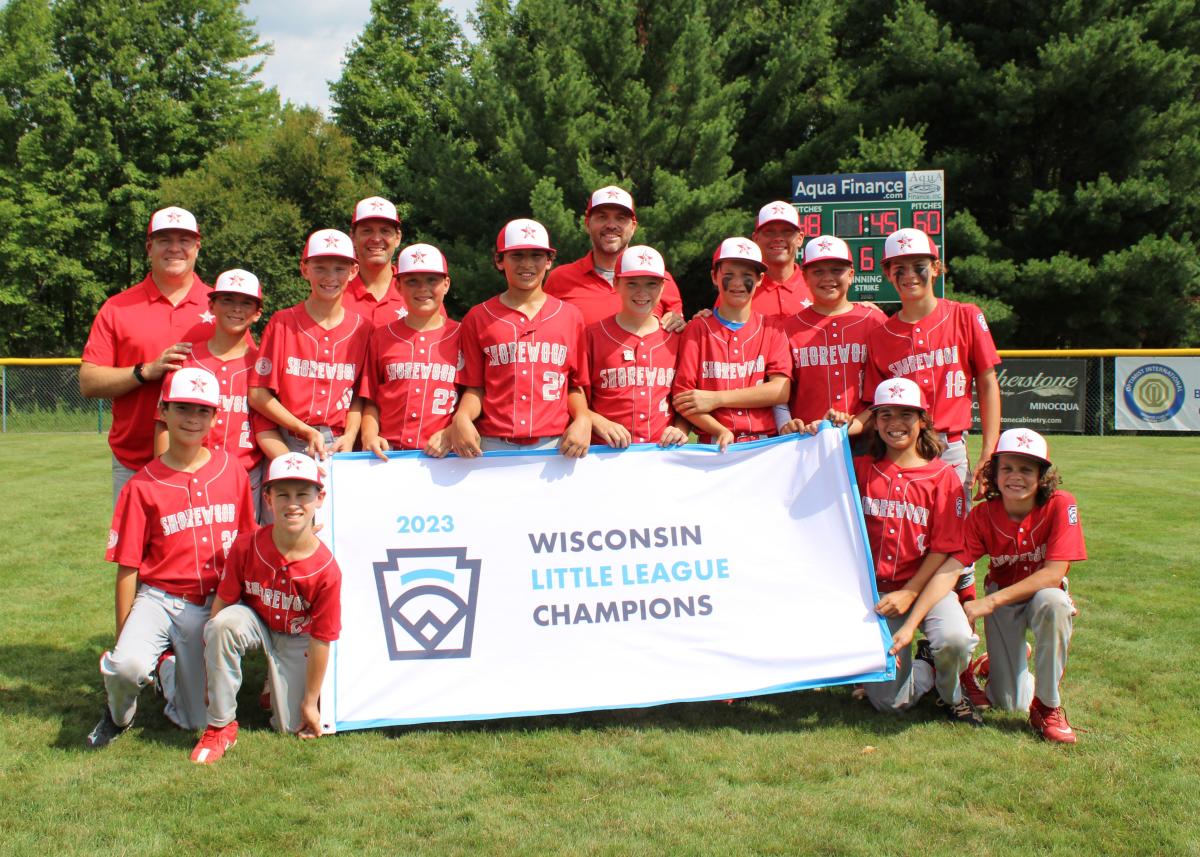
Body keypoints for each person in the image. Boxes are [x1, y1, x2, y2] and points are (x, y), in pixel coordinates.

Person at [86, 367, 256, 749]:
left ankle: (167, 670)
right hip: (159, 598)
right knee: (126, 667)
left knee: (194, 720)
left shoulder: (233, 471)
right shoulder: (142, 484)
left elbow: (245, 546)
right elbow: (128, 566)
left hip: (211, 603)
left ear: (215, 417)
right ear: (163, 410)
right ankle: (118, 715)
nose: (192, 419)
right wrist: (123, 637)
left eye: (201, 411)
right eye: (182, 409)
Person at [190, 452, 342, 763]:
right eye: (282, 494)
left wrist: (311, 703)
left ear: (320, 498)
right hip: (255, 621)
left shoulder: (326, 570)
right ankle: (220, 725)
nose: (293, 503)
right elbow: (221, 606)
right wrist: (211, 673)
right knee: (222, 624)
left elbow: (322, 639)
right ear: (268, 498)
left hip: (296, 636)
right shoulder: (246, 545)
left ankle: (273, 688)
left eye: (303, 494)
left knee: (291, 727)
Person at [937, 429, 1086, 742]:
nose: (1015, 477)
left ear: (1042, 476)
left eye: (1026, 469)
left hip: (1037, 595)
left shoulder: (1061, 504)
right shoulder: (983, 516)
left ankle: (1047, 707)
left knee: (1055, 602)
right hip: (1004, 598)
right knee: (1009, 702)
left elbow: (1053, 573)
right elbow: (953, 564)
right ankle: (995, 664)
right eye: (1007, 468)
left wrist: (986, 604)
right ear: (994, 472)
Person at [853, 378, 981, 725]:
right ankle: (925, 661)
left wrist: (910, 594)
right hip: (877, 592)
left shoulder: (944, 477)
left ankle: (948, 685)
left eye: (906, 415)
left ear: (923, 420)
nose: (895, 424)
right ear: (874, 421)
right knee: (889, 705)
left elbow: (944, 551)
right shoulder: (860, 470)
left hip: (925, 586)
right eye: (885, 415)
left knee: (955, 639)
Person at [80, 206, 216, 501]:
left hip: (205, 461)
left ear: (197, 247)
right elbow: (89, 381)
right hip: (135, 463)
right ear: (149, 247)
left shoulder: (223, 305)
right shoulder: (118, 307)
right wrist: (146, 371)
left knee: (202, 549)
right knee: (131, 548)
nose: (175, 248)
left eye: (185, 239)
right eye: (165, 239)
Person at [449, 218, 591, 458]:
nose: (527, 264)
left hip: (555, 444)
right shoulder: (478, 316)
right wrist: (462, 416)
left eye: (536, 255)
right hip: (492, 444)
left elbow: (574, 385)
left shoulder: (570, 316)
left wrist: (583, 418)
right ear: (499, 261)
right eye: (517, 256)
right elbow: (475, 387)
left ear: (549, 261)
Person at [250, 229, 372, 461]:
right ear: (305, 269)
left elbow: (359, 395)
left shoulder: (363, 328)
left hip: (340, 442)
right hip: (289, 438)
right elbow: (257, 393)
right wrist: (304, 429)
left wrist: (351, 433)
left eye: (339, 268)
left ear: (354, 271)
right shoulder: (283, 322)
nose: (330, 277)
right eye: (320, 267)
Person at [153, 269, 264, 509]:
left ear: (257, 313)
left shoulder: (264, 365)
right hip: (188, 476)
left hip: (247, 478)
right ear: (211, 306)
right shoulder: (186, 359)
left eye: (246, 303)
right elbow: (163, 425)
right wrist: (164, 482)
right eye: (227, 300)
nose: (236, 309)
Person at [672, 238, 790, 450]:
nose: (737, 283)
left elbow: (780, 391)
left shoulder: (772, 328)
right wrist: (719, 430)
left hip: (764, 445)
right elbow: (684, 398)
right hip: (713, 445)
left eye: (747, 276)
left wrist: (717, 399)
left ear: (760, 279)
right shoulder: (697, 329)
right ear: (714, 277)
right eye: (729, 275)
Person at [360, 243, 461, 458]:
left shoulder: (462, 335)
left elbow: (474, 396)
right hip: (390, 453)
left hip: (445, 454)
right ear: (398, 286)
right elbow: (371, 400)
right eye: (412, 281)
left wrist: (453, 431)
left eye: (431, 280)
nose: (422, 288)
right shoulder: (381, 336)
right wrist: (369, 434)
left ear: (446, 284)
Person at [776, 235, 886, 432]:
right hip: (808, 438)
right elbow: (778, 391)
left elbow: (887, 385)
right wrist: (785, 424)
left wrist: (857, 424)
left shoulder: (874, 321)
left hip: (867, 440)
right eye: (818, 271)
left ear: (851, 275)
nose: (828, 278)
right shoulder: (787, 328)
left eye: (837, 270)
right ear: (805, 277)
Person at [585, 245, 689, 448]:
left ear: (662, 287)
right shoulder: (592, 335)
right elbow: (573, 393)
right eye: (632, 284)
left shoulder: (676, 336)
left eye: (651, 284)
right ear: (616, 283)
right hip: (603, 453)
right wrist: (597, 421)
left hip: (662, 451)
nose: (642, 292)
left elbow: (687, 397)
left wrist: (681, 429)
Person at [544, 186, 685, 331]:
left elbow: (677, 333)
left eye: (620, 218)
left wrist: (694, 321)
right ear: (587, 224)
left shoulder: (660, 279)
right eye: (602, 217)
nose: (611, 225)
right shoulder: (560, 279)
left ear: (633, 227)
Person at [741, 200, 814, 317]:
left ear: (800, 239)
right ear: (755, 239)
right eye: (769, 232)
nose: (778, 238)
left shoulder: (816, 285)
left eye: (787, 232)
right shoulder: (739, 289)